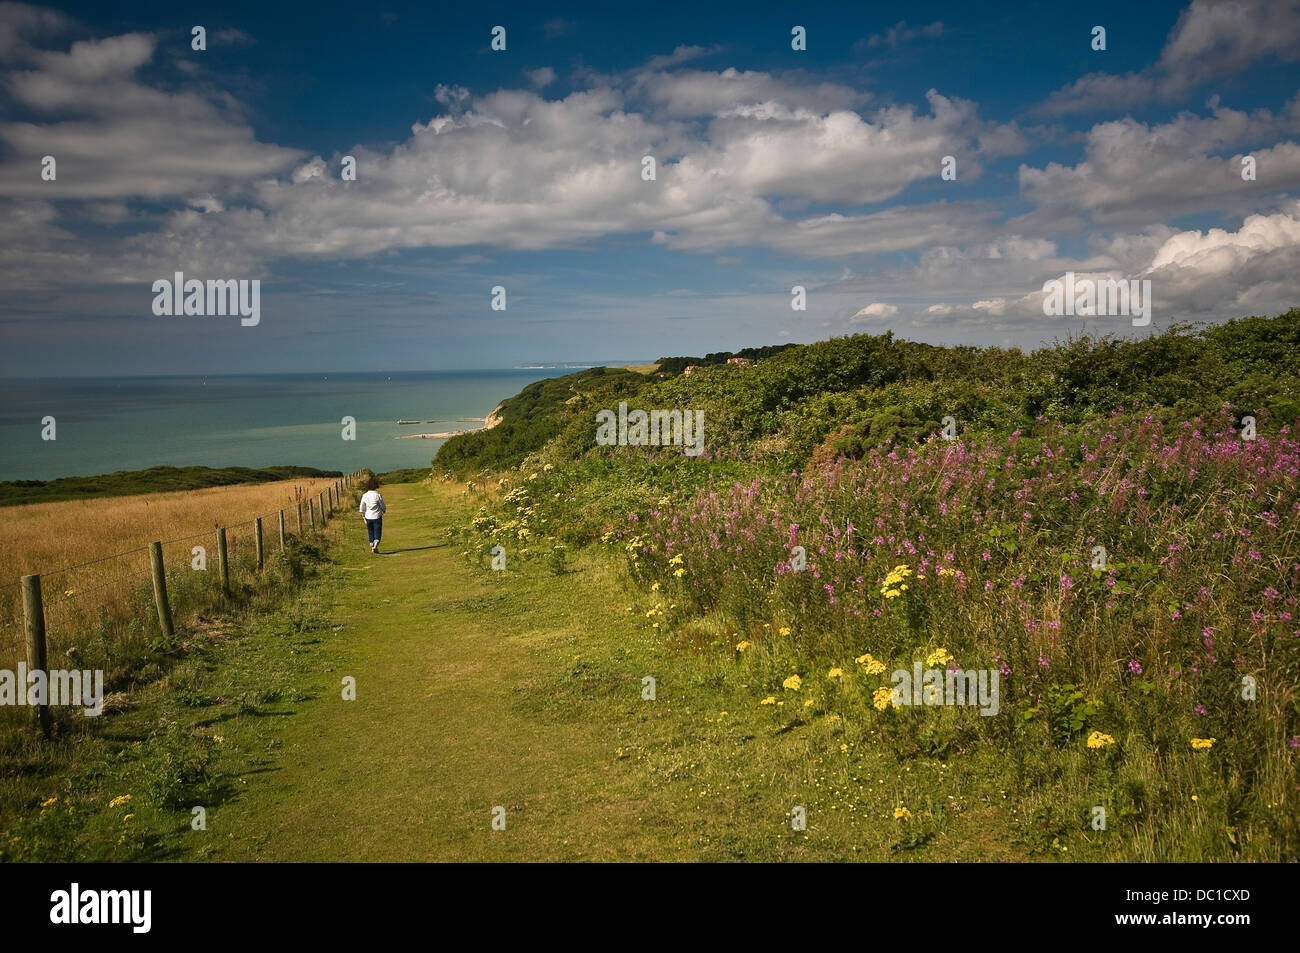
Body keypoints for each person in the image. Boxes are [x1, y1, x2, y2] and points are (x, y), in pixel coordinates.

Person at [358, 477, 387, 553]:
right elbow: (382, 505)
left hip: (368, 516)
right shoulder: (377, 495)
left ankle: (372, 544)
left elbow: (362, 507)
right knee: (377, 532)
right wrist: (384, 510)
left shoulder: (365, 495)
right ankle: (375, 545)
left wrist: (363, 516)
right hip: (377, 516)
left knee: (370, 531)